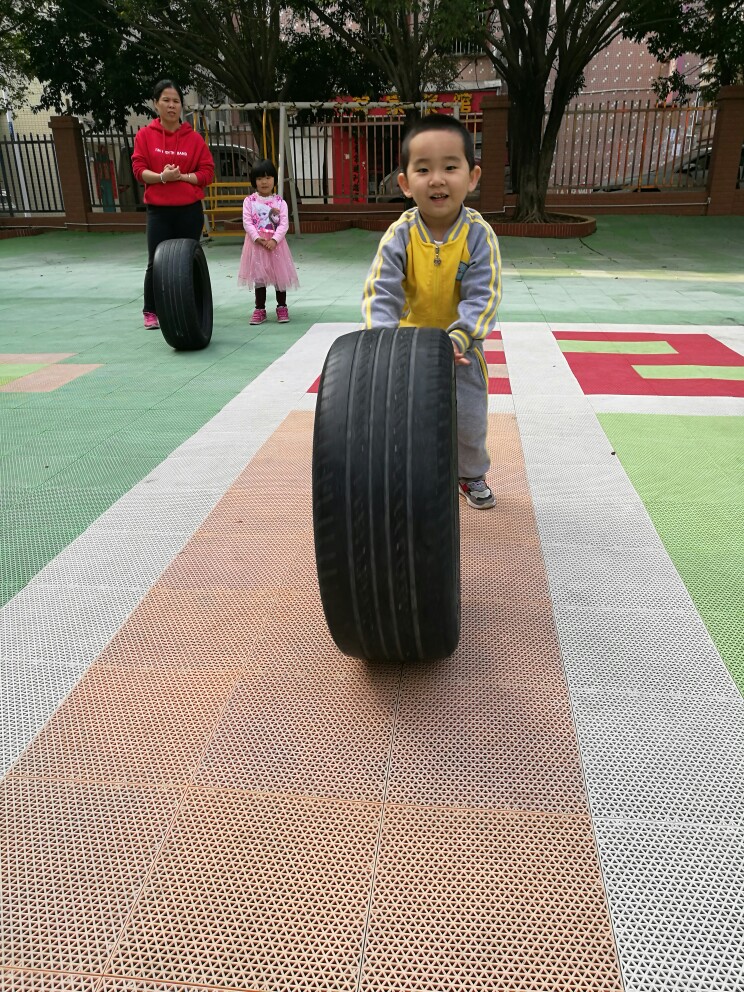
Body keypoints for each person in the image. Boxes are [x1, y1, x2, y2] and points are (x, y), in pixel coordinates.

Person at [361, 114, 502, 509]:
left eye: (450, 167)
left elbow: (483, 295)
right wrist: (382, 340)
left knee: (468, 421)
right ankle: (405, 473)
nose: (437, 179)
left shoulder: (478, 236)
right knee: (401, 417)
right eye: (423, 169)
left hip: (461, 351)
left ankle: (470, 474)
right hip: (406, 347)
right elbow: (381, 290)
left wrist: (460, 337)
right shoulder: (400, 235)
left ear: (472, 177)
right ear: (405, 184)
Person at [131, 79, 215, 330]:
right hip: (159, 212)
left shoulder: (194, 139)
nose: (171, 106)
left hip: (189, 211)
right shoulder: (145, 136)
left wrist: (183, 177)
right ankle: (151, 310)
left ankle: (194, 308)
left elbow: (207, 173)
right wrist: (162, 177)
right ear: (155, 104)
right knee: (155, 261)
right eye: (166, 100)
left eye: (176, 101)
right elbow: (138, 170)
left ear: (181, 106)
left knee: (189, 260)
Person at [238, 159, 299, 324]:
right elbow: (247, 222)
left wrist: (274, 240)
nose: (264, 182)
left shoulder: (280, 202)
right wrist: (257, 238)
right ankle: (260, 309)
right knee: (259, 277)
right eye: (259, 178)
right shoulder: (249, 201)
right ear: (254, 181)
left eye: (268, 177)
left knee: (280, 276)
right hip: (256, 246)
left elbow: (284, 224)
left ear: (274, 179)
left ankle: (282, 307)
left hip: (276, 246)